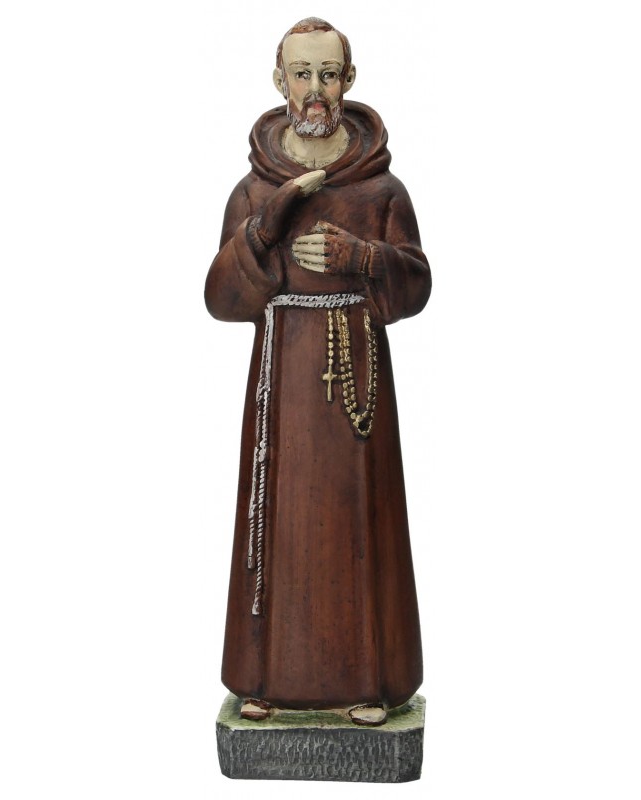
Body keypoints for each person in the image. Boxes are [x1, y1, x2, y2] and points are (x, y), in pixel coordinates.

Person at [205, 17, 431, 726]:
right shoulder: (253, 189)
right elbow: (219, 297)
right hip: (282, 381)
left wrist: (360, 258)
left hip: (356, 379)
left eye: (327, 74)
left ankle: (369, 681)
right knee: (276, 518)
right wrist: (266, 225)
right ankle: (266, 679)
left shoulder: (380, 189)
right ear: (279, 80)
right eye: (301, 73)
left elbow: (417, 284)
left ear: (348, 81)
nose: (314, 89)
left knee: (358, 523)